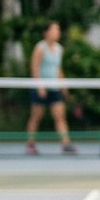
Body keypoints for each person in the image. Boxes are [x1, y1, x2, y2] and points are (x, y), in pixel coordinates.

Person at [25, 21, 76, 156]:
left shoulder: (59, 49)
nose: (57, 32)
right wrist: (40, 86)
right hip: (40, 88)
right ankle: (31, 144)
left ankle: (66, 144)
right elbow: (35, 68)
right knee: (36, 117)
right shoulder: (40, 48)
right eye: (55, 29)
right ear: (46, 32)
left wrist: (63, 85)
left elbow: (58, 69)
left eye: (58, 29)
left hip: (54, 88)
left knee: (60, 117)